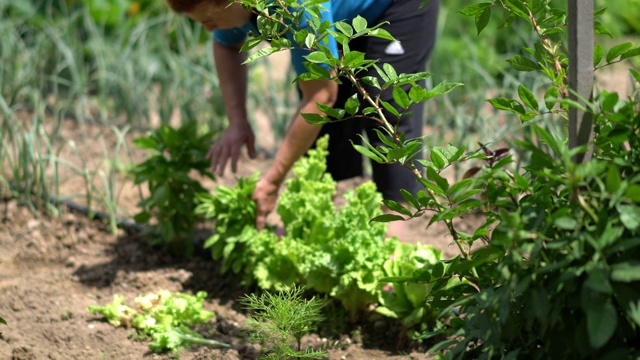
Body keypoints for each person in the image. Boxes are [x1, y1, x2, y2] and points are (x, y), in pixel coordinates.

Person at [166, 0, 439, 238]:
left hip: (396, 6)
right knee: (323, 122)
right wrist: (237, 122)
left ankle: (393, 247)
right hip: (338, 17)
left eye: (210, 20)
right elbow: (225, 46)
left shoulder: (295, 6)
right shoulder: (237, 9)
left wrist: (273, 180)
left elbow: (320, 98)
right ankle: (319, 228)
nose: (209, 29)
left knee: (387, 108)